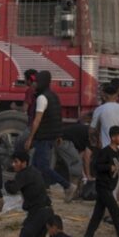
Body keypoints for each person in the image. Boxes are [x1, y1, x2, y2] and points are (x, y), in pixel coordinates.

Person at [83, 126, 119, 237]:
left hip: (109, 187)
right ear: (113, 137)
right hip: (103, 187)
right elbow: (97, 166)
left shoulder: (117, 152)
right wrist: (109, 167)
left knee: (97, 215)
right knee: (116, 212)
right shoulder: (105, 152)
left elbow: (117, 165)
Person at [5, 151, 54, 237]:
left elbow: (13, 189)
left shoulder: (24, 174)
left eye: (16, 162)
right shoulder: (34, 171)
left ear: (24, 162)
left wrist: (7, 183)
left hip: (38, 213)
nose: (13, 164)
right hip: (47, 211)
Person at [24, 71, 75, 200]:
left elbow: (37, 120)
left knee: (42, 166)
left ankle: (67, 185)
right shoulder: (53, 96)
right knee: (36, 165)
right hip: (50, 136)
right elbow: (57, 116)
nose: (34, 84)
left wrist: (30, 139)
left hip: (43, 137)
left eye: (36, 82)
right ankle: (41, 190)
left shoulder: (42, 98)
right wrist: (58, 134)